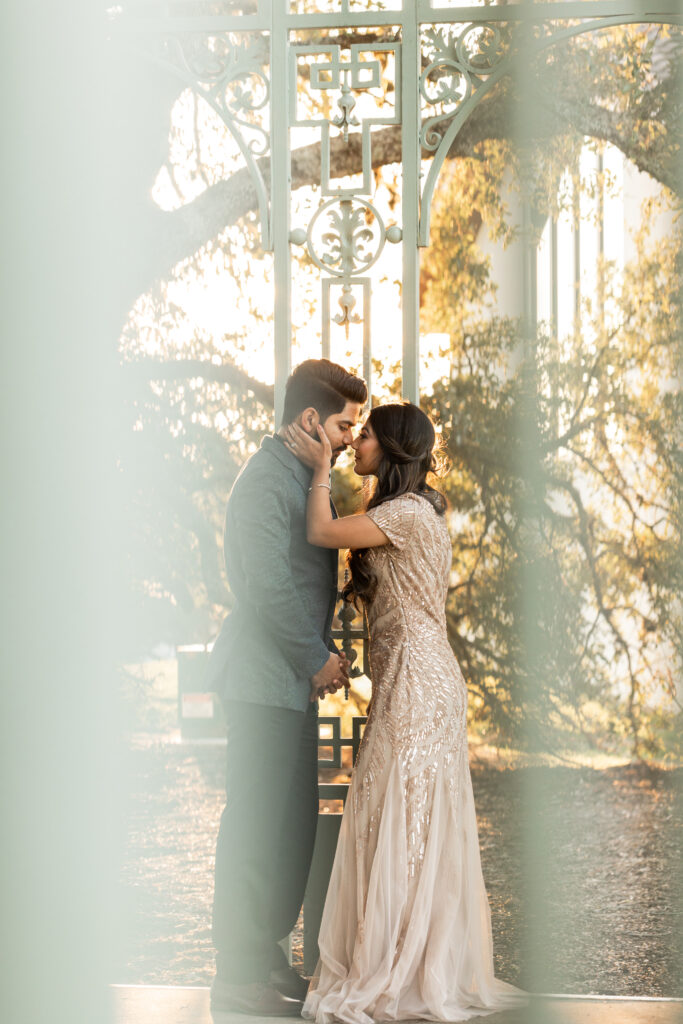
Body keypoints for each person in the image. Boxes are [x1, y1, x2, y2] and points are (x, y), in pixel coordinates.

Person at [283, 402, 525, 1024]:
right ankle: (404, 957)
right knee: (401, 815)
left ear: (389, 448)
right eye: (354, 433)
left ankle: (401, 965)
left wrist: (316, 469)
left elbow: (318, 532)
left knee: (404, 817)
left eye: (364, 436)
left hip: (419, 680)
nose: (355, 443)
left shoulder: (405, 514)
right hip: (419, 677)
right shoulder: (406, 512)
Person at [207, 359, 367, 1017]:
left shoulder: (305, 476)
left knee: (290, 828)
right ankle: (236, 975)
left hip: (289, 688)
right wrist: (315, 659)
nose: (351, 437)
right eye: (343, 424)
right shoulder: (262, 482)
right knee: (253, 827)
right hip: (260, 684)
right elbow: (265, 587)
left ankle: (263, 956)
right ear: (309, 420)